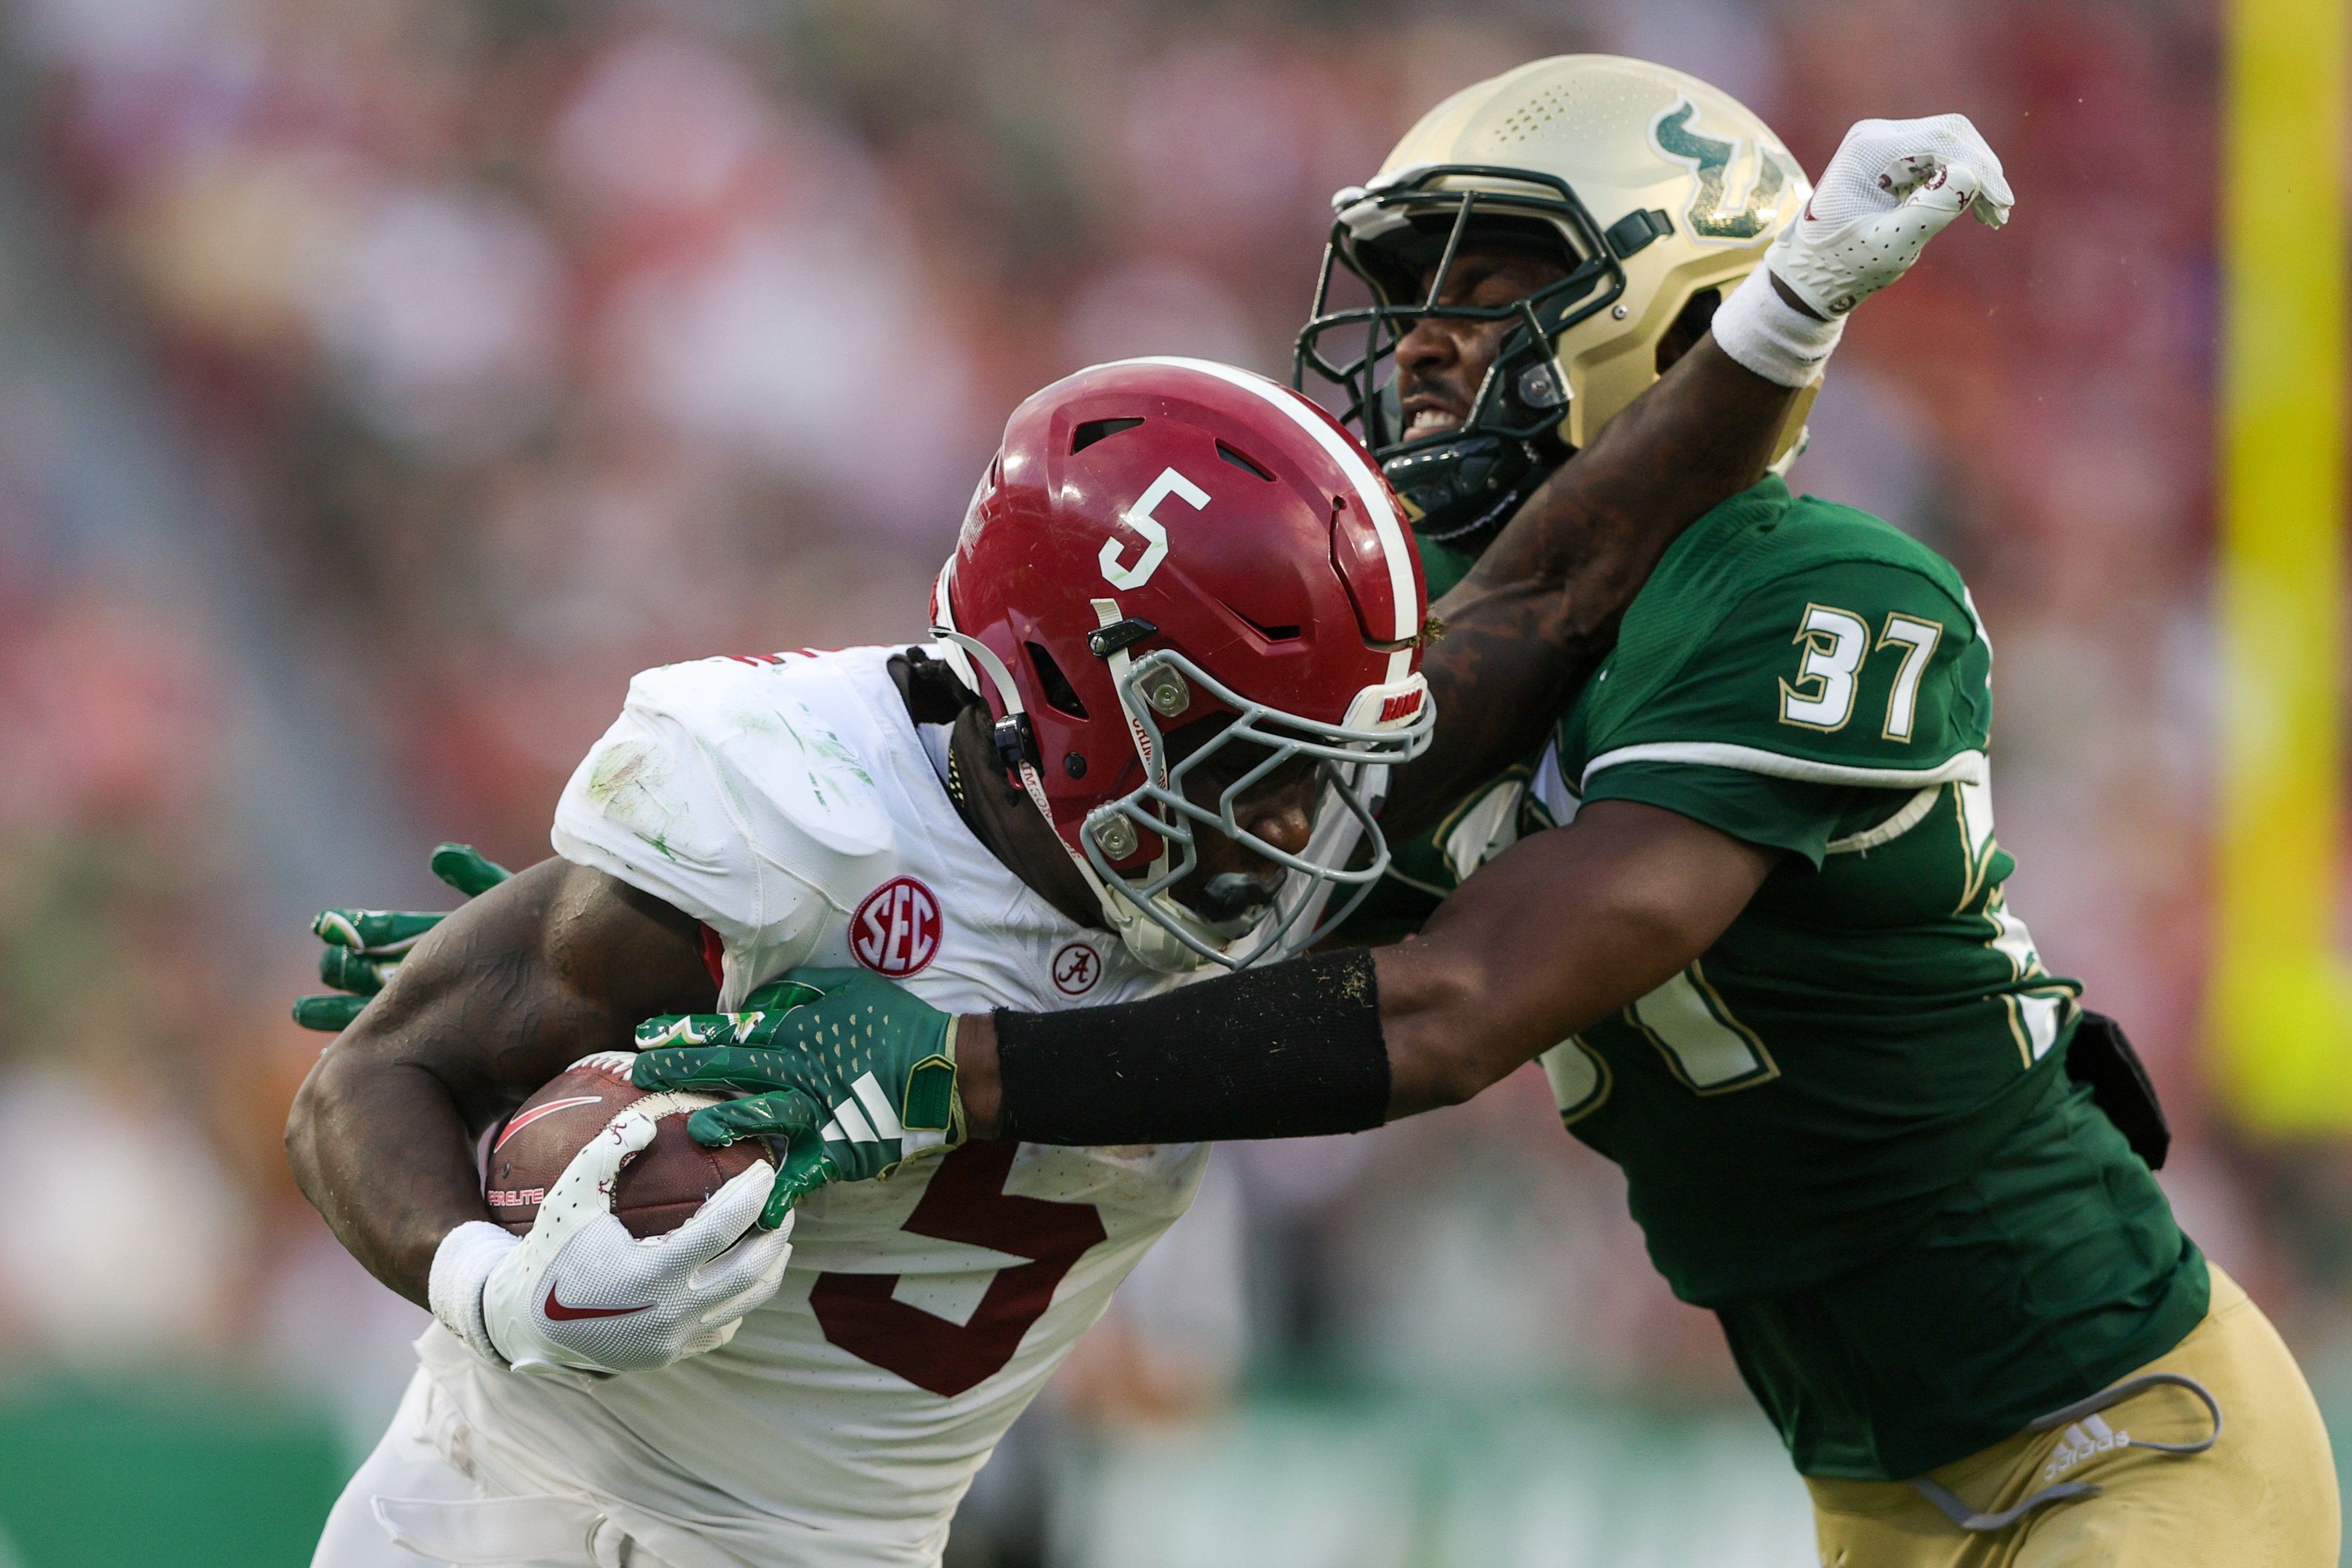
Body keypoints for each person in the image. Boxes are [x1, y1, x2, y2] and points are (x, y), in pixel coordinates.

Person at [624, 61, 2343, 1568]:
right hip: (1869, 1485)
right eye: (1409, 284)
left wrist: (944, 1065)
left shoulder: (1810, 587)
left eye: (1502, 282)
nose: (1427, 336)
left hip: (2122, 1425)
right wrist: (689, 909)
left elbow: (1452, 1008)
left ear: (1672, 316)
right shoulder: (1426, 601)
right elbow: (1132, 867)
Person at [286, 59, 1988, 1568]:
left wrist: (1785, 305)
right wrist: (490, 1281)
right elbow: (370, 1080)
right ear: (1079, 689)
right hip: (502, 1512)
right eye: (1243, 743)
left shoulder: (1279, 832)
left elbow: (1551, 593)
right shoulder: (772, 790)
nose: (1316, 811)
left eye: (1319, 742)